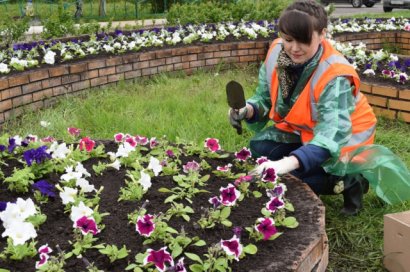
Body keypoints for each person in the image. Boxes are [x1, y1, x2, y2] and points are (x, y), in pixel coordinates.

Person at [228, 0, 378, 216]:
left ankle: (350, 180)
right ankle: (308, 170)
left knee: (296, 178)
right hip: (307, 130)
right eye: (288, 39)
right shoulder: (277, 53)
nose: (294, 48)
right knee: (261, 148)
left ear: (322, 34)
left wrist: (287, 163)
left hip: (346, 139)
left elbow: (332, 134)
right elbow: (264, 97)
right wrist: (247, 110)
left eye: (303, 40)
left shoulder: (334, 74)